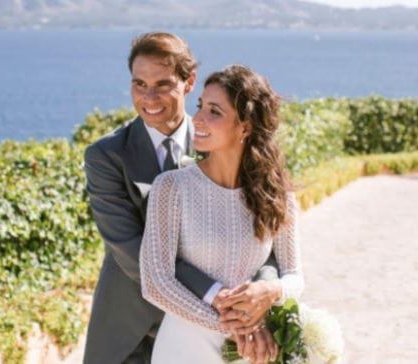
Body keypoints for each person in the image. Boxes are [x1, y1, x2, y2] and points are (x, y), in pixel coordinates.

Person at [83, 33, 282, 364]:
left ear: (189, 83)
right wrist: (218, 300)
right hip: (130, 328)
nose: (149, 97)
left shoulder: (220, 140)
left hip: (209, 333)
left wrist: (264, 290)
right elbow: (130, 248)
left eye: (162, 84)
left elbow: (266, 238)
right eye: (139, 84)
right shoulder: (106, 156)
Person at [139, 64, 305, 364]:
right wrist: (234, 327)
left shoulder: (278, 195)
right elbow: (155, 283)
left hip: (249, 351)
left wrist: (271, 290)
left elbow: (295, 277)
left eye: (215, 111)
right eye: (200, 106)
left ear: (245, 126)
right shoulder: (172, 187)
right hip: (186, 348)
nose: (198, 118)